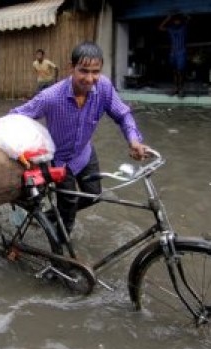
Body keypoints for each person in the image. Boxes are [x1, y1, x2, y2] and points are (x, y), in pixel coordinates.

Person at [10, 41, 149, 241]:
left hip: (85, 153)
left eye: (95, 72)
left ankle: (48, 216)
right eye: (83, 71)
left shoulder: (104, 88)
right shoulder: (51, 97)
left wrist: (133, 140)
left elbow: (123, 114)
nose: (90, 78)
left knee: (93, 195)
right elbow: (17, 116)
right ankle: (58, 263)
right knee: (67, 218)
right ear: (71, 68)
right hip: (60, 162)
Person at [159, 13, 189, 96]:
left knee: (181, 71)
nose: (177, 22)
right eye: (175, 20)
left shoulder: (183, 28)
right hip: (173, 53)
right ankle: (175, 88)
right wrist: (167, 19)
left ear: (180, 21)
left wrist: (184, 16)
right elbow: (160, 28)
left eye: (178, 20)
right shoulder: (170, 29)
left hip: (181, 52)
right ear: (173, 21)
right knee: (175, 72)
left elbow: (188, 20)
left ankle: (181, 89)